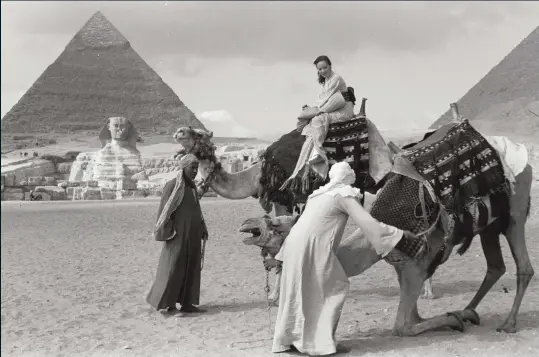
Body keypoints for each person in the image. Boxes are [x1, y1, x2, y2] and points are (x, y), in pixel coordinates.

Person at [269, 162, 426, 356]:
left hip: (295, 245)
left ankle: (293, 338)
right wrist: (400, 233)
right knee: (333, 289)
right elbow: (368, 223)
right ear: (346, 177)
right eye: (351, 173)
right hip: (313, 248)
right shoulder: (343, 195)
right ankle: (322, 343)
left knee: (300, 290)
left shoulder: (319, 194)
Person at [146, 153, 209, 317]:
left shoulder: (192, 188)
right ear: (183, 168)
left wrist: (202, 227)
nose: (195, 171)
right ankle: (169, 305)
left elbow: (196, 209)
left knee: (192, 268)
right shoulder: (172, 186)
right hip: (178, 236)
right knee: (173, 269)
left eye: (196, 168)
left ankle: (188, 303)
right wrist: (169, 232)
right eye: (192, 168)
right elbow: (164, 212)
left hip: (193, 235)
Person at [281, 55, 356, 189]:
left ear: (330, 66)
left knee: (317, 119)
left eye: (324, 68)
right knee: (312, 116)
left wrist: (314, 110)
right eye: (319, 69)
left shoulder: (336, 79)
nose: (322, 71)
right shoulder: (325, 81)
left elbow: (325, 100)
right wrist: (311, 107)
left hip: (343, 110)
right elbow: (320, 99)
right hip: (331, 106)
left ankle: (318, 151)